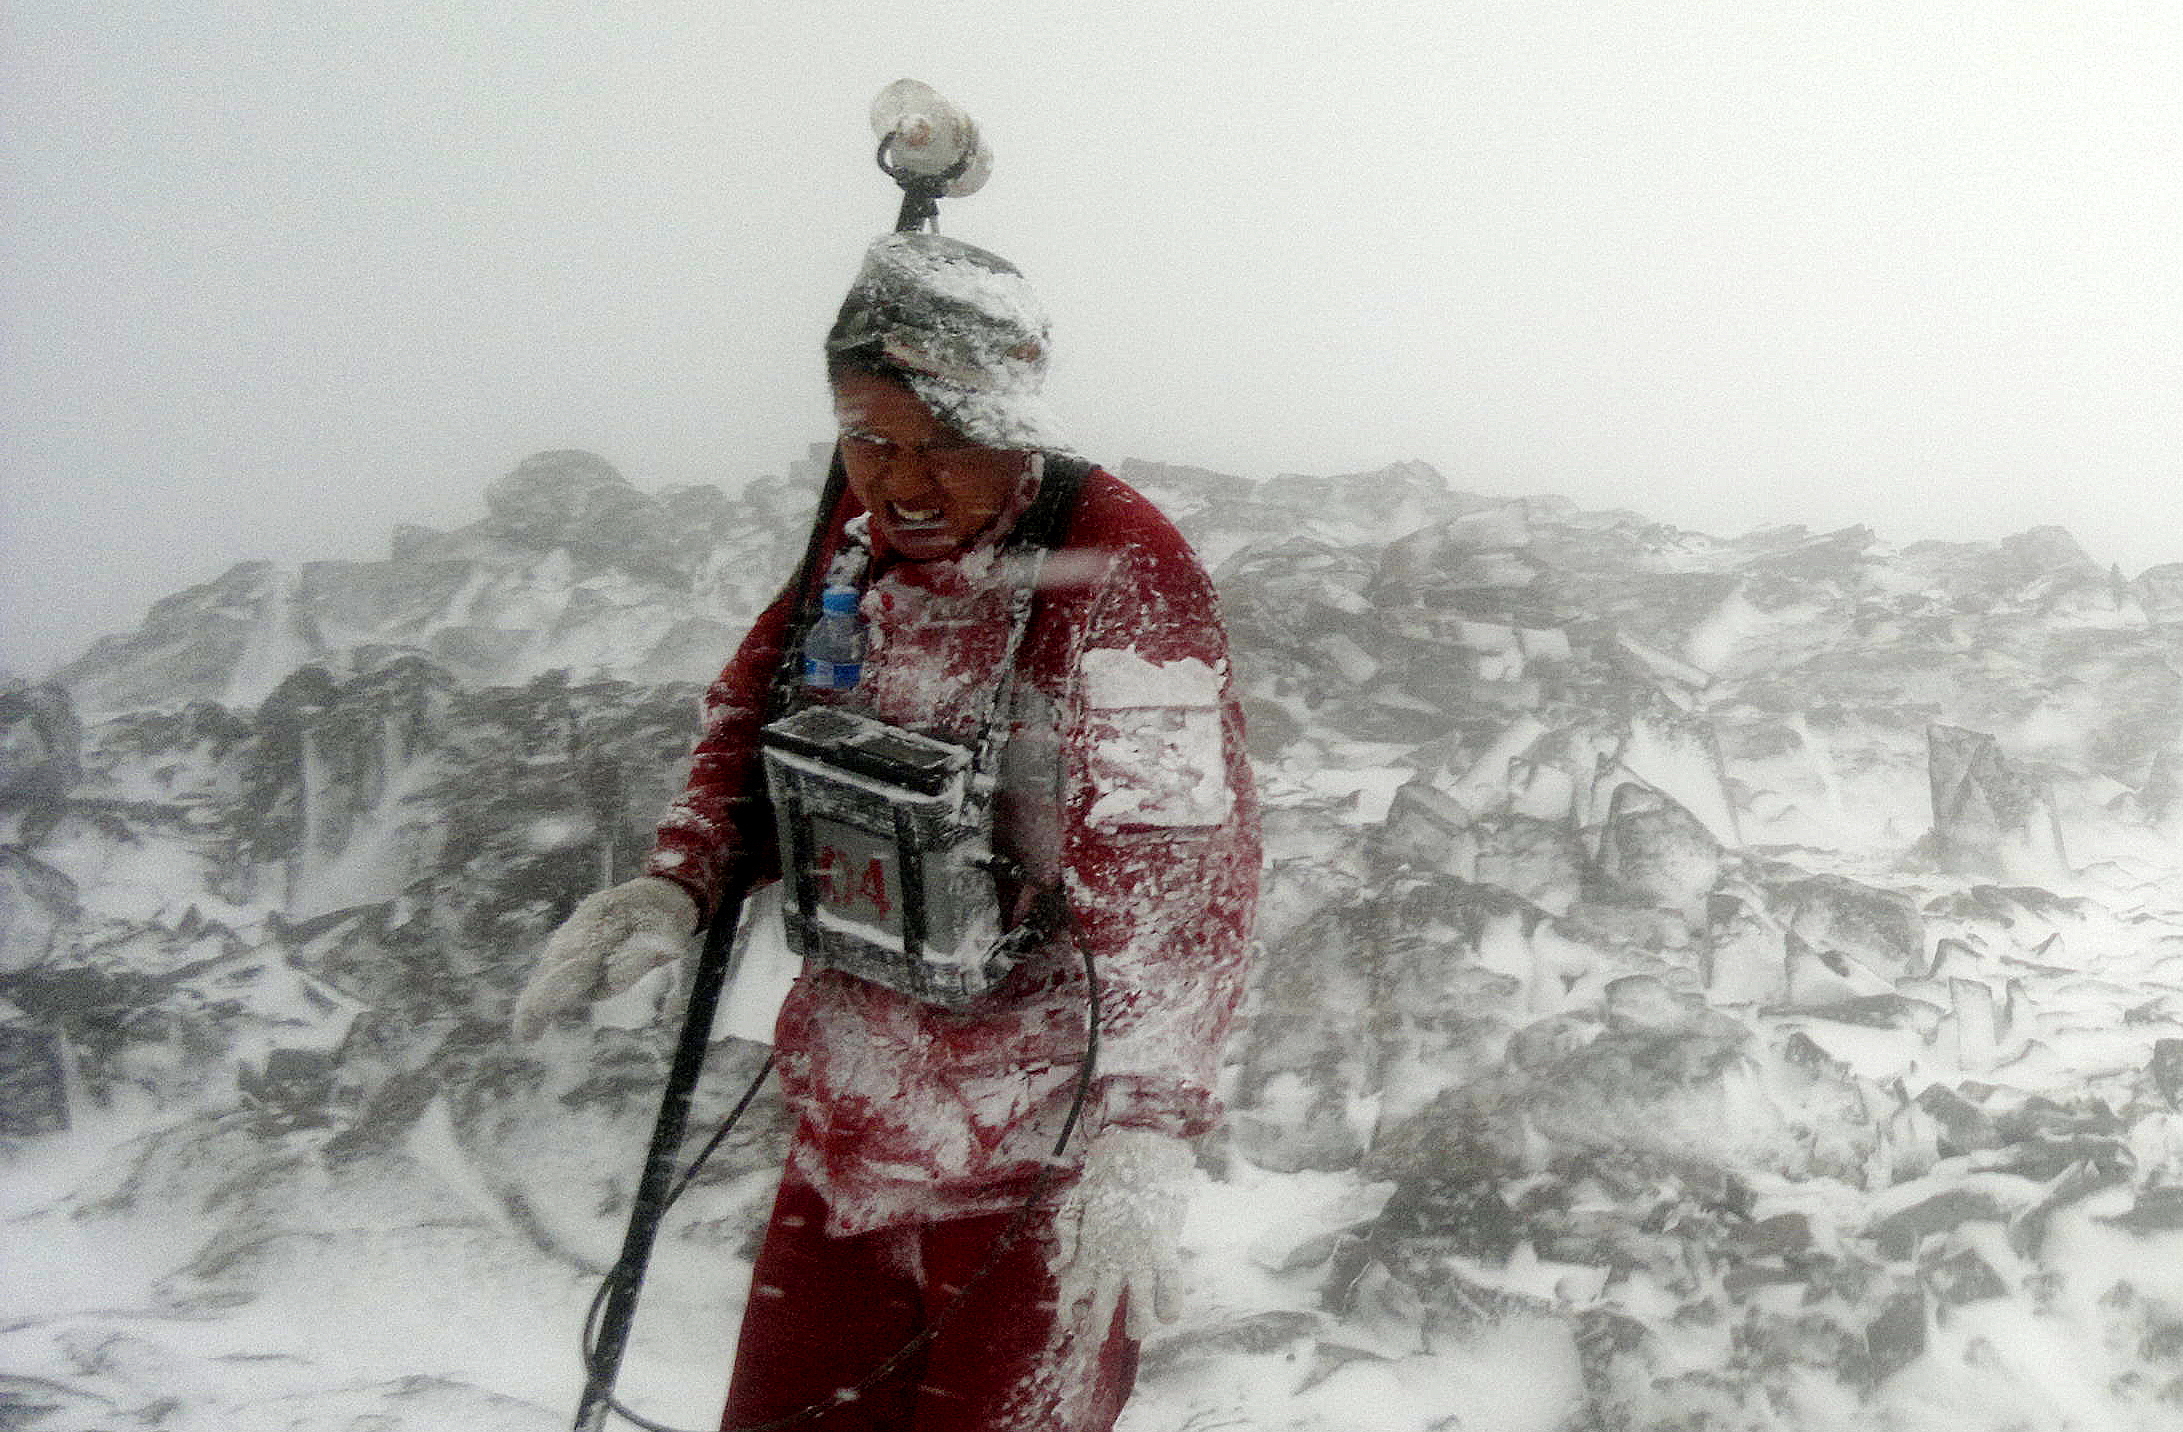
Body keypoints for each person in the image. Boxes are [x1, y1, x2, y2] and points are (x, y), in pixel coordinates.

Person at [515, 232, 1260, 1432]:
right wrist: (681, 879)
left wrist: (1144, 1128)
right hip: (850, 1117)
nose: (904, 483)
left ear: (1015, 420)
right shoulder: (858, 545)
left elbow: (1175, 876)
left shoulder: (1120, 569)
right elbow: (762, 707)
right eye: (869, 441)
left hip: (1038, 1155)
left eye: (945, 443)